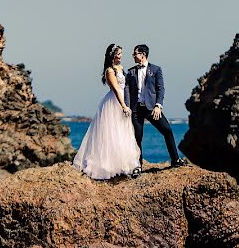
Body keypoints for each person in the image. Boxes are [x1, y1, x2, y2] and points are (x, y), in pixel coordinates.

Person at [72, 44, 141, 180]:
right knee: (112, 132)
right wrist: (123, 106)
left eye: (121, 53)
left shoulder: (121, 68)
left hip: (123, 100)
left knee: (123, 132)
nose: (121, 56)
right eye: (119, 53)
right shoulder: (109, 71)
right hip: (114, 102)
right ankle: (109, 165)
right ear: (113, 55)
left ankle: (124, 163)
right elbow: (115, 89)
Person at [124, 44, 187, 177]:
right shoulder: (130, 72)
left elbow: (161, 89)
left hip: (152, 108)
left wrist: (158, 105)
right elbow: (127, 90)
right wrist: (128, 107)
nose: (133, 56)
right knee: (137, 137)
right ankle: (137, 167)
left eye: (135, 53)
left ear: (143, 54)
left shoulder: (156, 69)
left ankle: (175, 160)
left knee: (167, 130)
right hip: (136, 109)